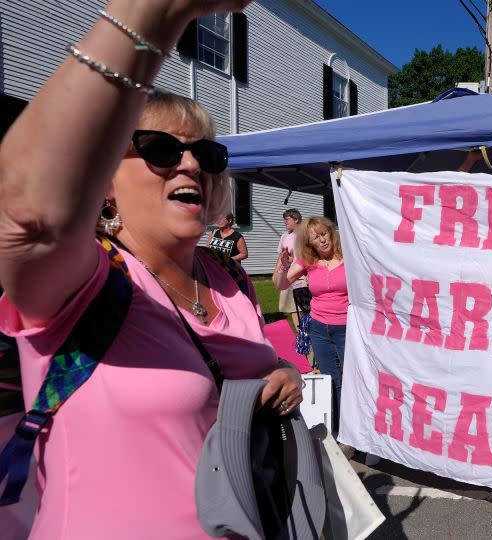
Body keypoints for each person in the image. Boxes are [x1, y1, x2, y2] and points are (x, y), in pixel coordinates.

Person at [0, 1, 305, 537]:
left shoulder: (229, 282)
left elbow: (245, 372)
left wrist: (285, 377)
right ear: (104, 181)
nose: (189, 164)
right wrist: (154, 12)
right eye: (161, 149)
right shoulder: (83, 283)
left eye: (205, 154)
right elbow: (29, 215)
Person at [274, 216, 348, 433]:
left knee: (350, 378)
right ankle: (335, 426)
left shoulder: (348, 257)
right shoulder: (308, 261)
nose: (322, 240)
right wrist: (283, 266)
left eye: (324, 234)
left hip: (346, 328)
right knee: (328, 377)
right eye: (316, 238)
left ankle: (350, 426)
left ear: (331, 233)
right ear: (310, 243)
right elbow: (281, 284)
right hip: (319, 327)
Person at [275, 208, 308, 329]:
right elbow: (281, 256)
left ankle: (310, 333)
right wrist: (276, 273)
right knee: (292, 307)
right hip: (288, 276)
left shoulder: (306, 235)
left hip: (303, 276)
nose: (285, 222)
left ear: (296, 219)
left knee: (306, 307)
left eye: (287, 219)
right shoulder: (285, 236)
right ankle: (300, 334)